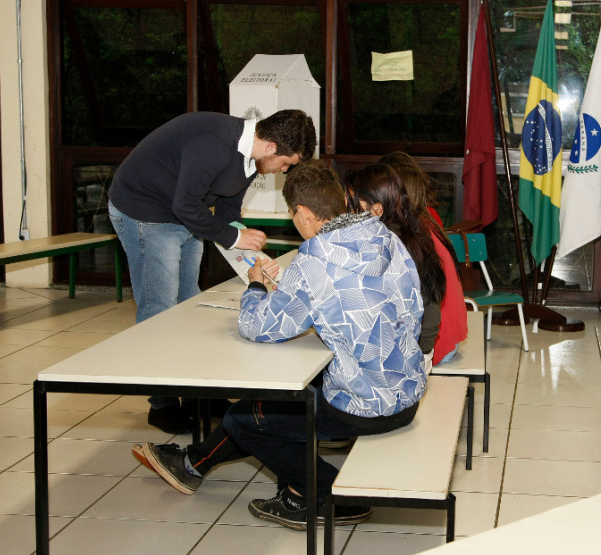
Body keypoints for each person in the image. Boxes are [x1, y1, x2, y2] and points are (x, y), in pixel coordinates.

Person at [134, 160, 427, 531]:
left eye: (292, 215)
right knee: (279, 398)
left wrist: (256, 286)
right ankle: (193, 465)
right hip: (408, 388)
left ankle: (329, 496)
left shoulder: (315, 261)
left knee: (245, 417)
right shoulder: (384, 237)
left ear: (303, 213)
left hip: (365, 406)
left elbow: (257, 327)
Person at [108, 109, 317, 434]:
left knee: (188, 304)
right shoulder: (216, 144)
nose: (284, 171)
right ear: (272, 146)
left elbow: (229, 204)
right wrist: (235, 237)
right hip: (145, 211)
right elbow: (185, 205)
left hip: (182, 212)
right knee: (159, 307)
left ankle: (197, 394)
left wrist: (246, 246)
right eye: (287, 163)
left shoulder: (251, 156)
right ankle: (161, 404)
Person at [346, 163, 466, 365]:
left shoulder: (387, 246)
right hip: (421, 349)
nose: (348, 212)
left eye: (352, 205)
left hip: (406, 359)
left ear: (376, 209)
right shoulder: (413, 231)